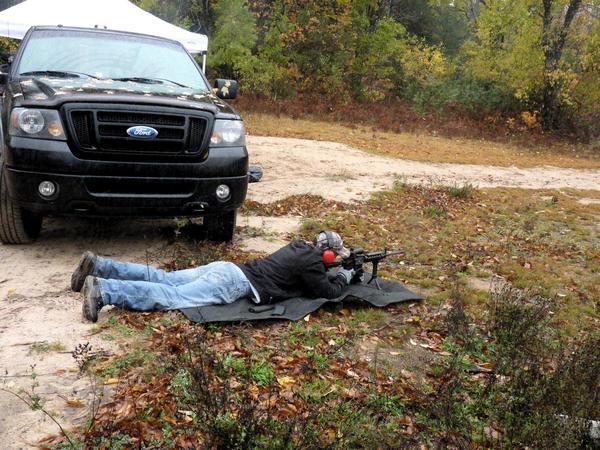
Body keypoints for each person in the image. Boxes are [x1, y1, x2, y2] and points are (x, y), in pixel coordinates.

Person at [73, 231, 356, 322]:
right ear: (328, 254)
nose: (337, 259)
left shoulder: (300, 249)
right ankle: (105, 290)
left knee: (165, 278)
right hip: (233, 283)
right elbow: (327, 293)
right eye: (336, 255)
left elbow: (309, 273)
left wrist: (331, 268)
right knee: (173, 297)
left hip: (227, 269)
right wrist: (345, 274)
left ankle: (100, 265)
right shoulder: (313, 265)